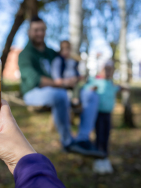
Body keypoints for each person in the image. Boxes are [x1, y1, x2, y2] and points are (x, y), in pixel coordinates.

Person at [18, 16, 104, 158]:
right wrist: (62, 83)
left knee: (91, 95)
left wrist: (76, 75)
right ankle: (68, 142)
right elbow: (35, 80)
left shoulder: (51, 52)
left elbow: (68, 61)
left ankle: (83, 139)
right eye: (36, 30)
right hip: (34, 93)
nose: (39, 33)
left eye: (42, 30)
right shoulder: (25, 55)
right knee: (59, 95)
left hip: (60, 89)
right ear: (29, 32)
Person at [83, 60, 121, 174]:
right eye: (106, 69)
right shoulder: (96, 81)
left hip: (108, 114)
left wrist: (122, 88)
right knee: (99, 136)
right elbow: (86, 89)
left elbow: (115, 89)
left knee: (106, 135)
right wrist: (91, 88)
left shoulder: (110, 83)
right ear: (101, 69)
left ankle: (105, 158)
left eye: (111, 70)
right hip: (98, 114)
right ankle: (98, 160)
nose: (108, 72)